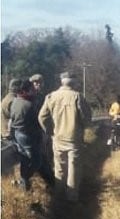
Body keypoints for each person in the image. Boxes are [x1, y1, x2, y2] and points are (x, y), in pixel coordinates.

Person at [38, 71, 92, 202]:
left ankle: (59, 196)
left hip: (58, 137)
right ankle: (72, 198)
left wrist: (50, 131)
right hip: (74, 138)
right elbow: (87, 118)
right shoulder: (77, 96)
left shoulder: (51, 96)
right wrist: (82, 127)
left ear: (61, 81)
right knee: (74, 167)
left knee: (59, 166)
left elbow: (42, 117)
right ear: (73, 82)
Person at [9, 79, 55, 190]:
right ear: (25, 91)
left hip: (17, 133)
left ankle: (29, 184)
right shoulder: (28, 105)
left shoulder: (16, 101)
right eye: (31, 90)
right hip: (27, 135)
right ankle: (24, 179)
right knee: (37, 160)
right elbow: (37, 121)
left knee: (26, 159)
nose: (34, 91)